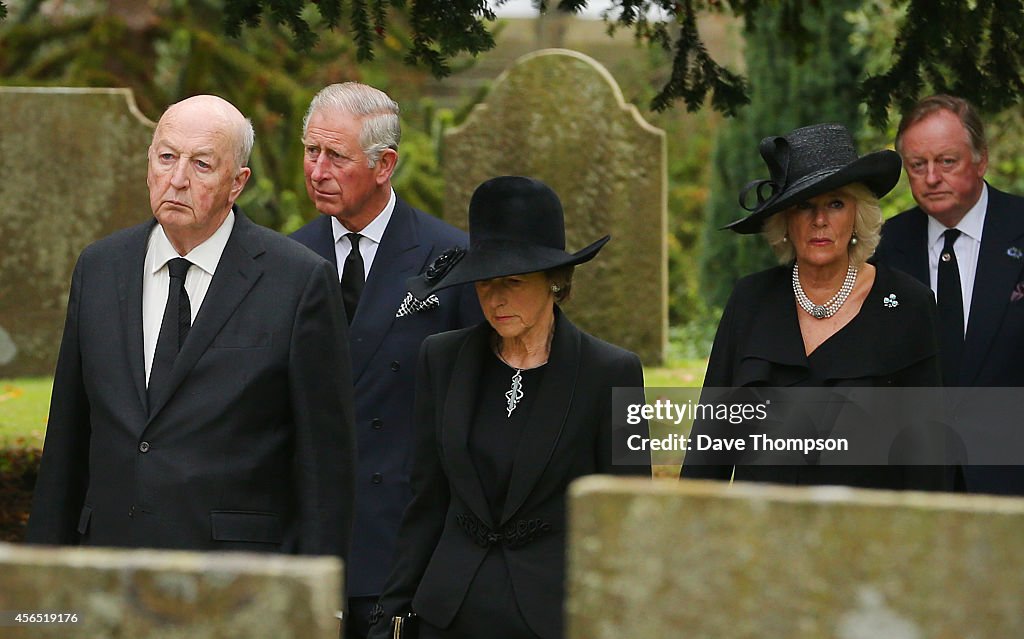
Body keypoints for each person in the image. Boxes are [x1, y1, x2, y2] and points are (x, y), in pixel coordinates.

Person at [27, 95, 357, 558]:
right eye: (166, 157)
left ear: (237, 182)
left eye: (201, 164)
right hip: (105, 562)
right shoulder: (99, 268)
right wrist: (40, 584)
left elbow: (326, 464)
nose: (177, 179)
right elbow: (67, 437)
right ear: (148, 163)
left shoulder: (298, 280)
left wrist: (321, 604)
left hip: (235, 578)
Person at [368, 176, 650, 639]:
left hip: (552, 616)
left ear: (555, 282)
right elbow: (425, 501)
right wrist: (393, 613)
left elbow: (626, 515)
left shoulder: (612, 373)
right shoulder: (441, 359)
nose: (495, 298)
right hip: (449, 613)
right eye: (484, 282)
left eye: (513, 281)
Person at [289, 82, 482, 638]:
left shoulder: (450, 260)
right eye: (310, 151)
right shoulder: (284, 259)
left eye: (336, 156)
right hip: (309, 540)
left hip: (403, 539)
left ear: (384, 165)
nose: (317, 170)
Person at [681, 123, 954, 490]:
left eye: (836, 204)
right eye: (804, 206)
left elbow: (928, 459)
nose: (820, 221)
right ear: (784, 222)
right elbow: (709, 446)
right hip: (755, 534)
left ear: (858, 216)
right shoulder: (750, 300)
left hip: (862, 536)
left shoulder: (908, 305)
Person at [874, 94, 1024, 495]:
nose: (931, 178)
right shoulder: (883, 248)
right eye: (917, 165)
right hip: (914, 485)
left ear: (981, 160)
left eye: (947, 161)